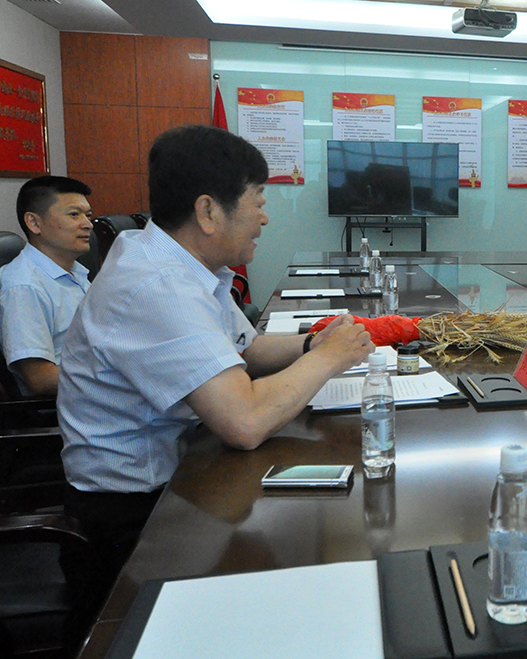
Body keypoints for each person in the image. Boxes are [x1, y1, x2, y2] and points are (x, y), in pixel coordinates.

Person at [57, 125, 376, 578]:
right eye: (258, 202)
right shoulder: (158, 285)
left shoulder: (172, 261)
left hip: (186, 471)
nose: (265, 218)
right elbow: (244, 422)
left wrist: (313, 343)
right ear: (207, 211)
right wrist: (328, 359)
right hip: (133, 518)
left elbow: (245, 349)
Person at [0, 175, 93, 396]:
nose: (88, 224)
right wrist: (118, 374)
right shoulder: (24, 286)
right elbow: (40, 379)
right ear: (34, 223)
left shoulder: (76, 273)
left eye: (88, 215)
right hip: (69, 405)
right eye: (74, 215)